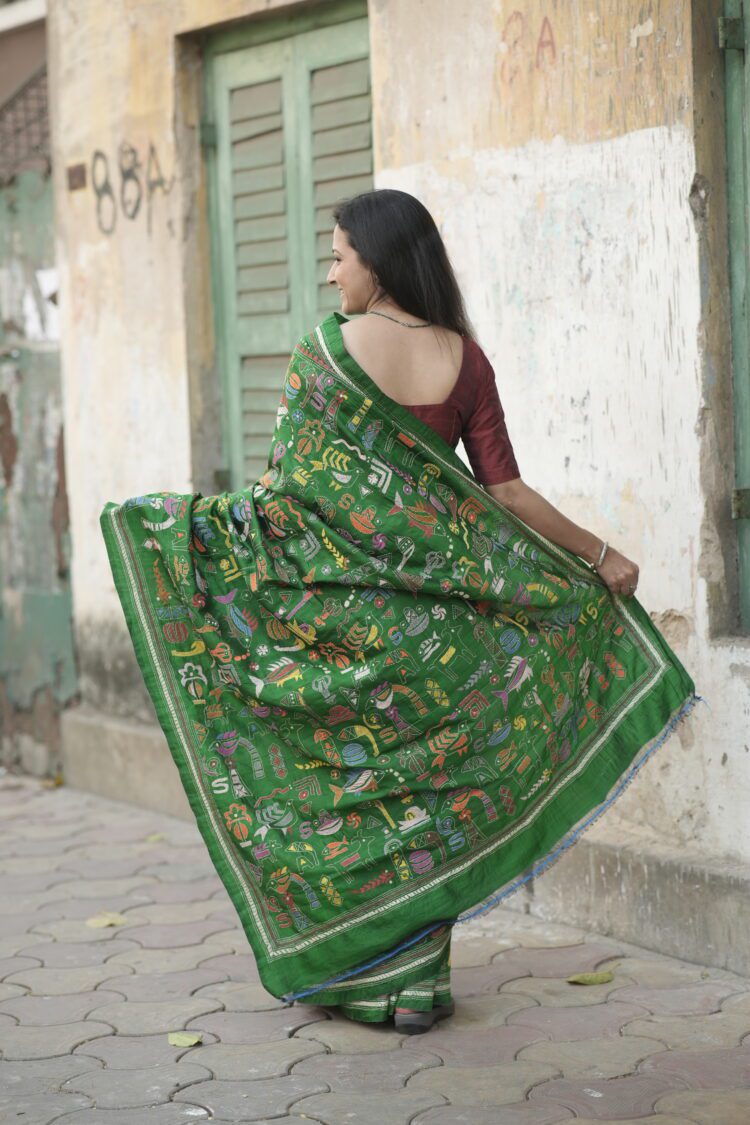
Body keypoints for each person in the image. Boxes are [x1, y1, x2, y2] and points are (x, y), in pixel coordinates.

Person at [101, 190, 695, 1042]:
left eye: (338, 254)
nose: (330, 272)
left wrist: (174, 532)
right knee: (424, 802)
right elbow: (507, 494)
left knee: (358, 797)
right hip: (437, 635)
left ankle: (383, 978)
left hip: (342, 632)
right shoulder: (467, 359)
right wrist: (601, 556)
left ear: (376, 264)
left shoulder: (324, 355)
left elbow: (286, 505)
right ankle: (417, 982)